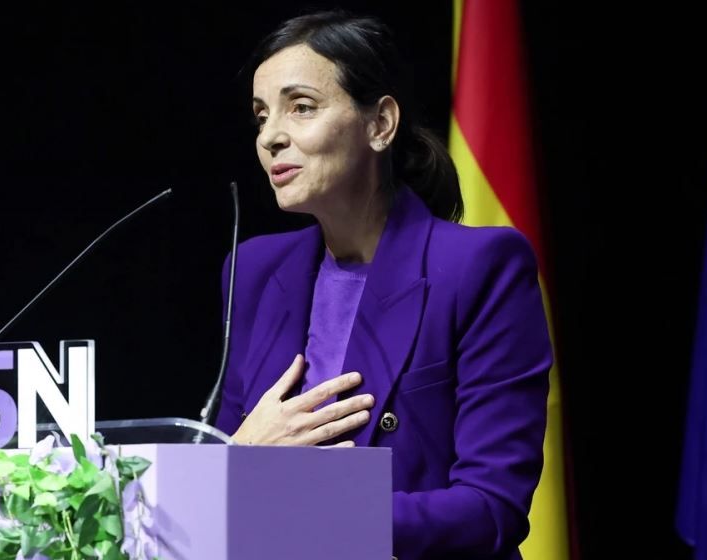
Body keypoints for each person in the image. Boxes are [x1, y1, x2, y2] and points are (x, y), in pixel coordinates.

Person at [212, 10, 552, 560]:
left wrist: (273, 492)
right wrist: (242, 463)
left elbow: (492, 508)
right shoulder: (251, 272)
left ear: (380, 124)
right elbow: (223, 460)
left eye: (301, 107)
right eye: (261, 116)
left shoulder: (479, 266)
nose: (272, 136)